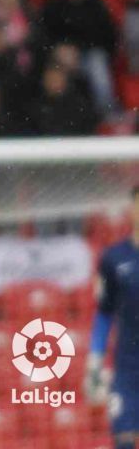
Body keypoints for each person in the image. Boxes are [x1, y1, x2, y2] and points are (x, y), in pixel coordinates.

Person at [85, 186, 139, 449]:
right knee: (124, 442)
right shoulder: (113, 258)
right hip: (127, 370)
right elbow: (105, 313)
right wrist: (94, 361)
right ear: (132, 209)